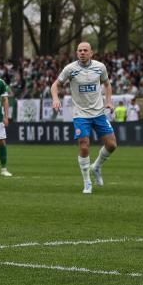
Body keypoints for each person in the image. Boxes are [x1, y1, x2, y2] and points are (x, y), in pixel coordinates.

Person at [50, 42, 117, 194]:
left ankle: (97, 167)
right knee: (84, 145)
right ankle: (87, 182)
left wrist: (108, 101)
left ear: (91, 53)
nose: (82, 53)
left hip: (99, 113)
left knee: (112, 145)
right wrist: (55, 98)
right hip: (80, 114)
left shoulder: (100, 67)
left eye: (85, 50)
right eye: (80, 50)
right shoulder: (70, 69)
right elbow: (55, 85)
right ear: (76, 53)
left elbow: (107, 84)